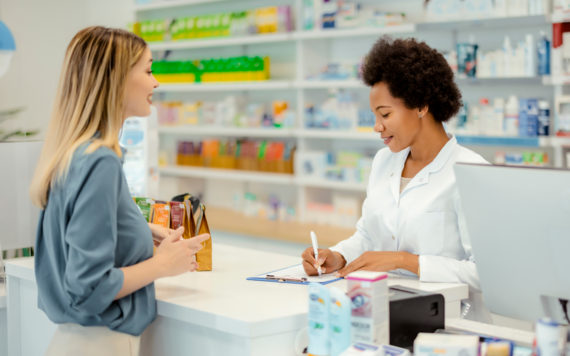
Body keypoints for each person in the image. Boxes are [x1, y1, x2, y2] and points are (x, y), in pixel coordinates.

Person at [29, 26, 210, 355]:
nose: (156, 82)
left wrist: (140, 232)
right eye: (148, 69)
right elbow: (88, 287)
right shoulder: (101, 162)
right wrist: (163, 264)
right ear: (116, 78)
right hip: (102, 344)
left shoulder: (73, 153)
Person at [301, 36, 492, 323]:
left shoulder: (471, 172)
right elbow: (368, 235)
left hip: (451, 325)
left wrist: (407, 261)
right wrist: (338, 257)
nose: (377, 127)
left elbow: (486, 272)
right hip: (383, 313)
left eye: (385, 114)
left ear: (421, 105)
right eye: (375, 115)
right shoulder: (384, 162)